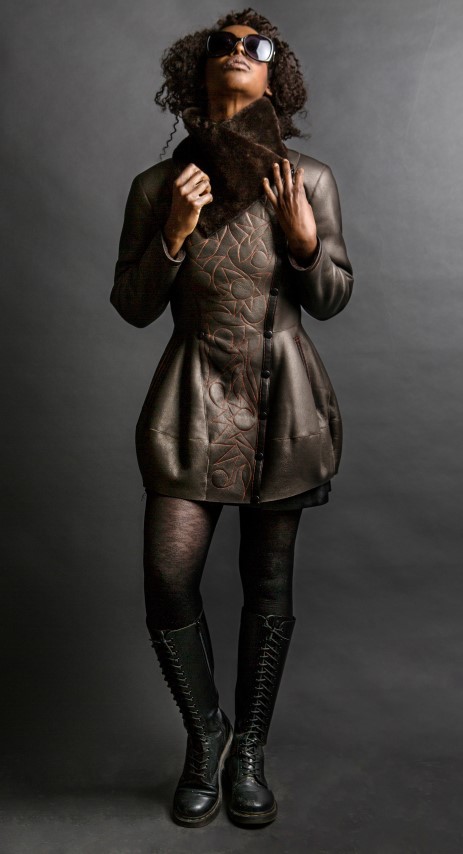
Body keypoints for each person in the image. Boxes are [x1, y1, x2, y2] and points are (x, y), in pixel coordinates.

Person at [111, 8, 354, 829]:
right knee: (167, 579)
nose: (242, 52)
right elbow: (132, 305)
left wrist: (304, 241)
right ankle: (204, 730)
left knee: (267, 585)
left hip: (282, 403)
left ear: (276, 74)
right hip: (190, 398)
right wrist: (174, 235)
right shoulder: (159, 186)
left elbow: (331, 298)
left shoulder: (307, 179)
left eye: (260, 46)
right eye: (227, 42)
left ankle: (247, 749)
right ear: (199, 67)